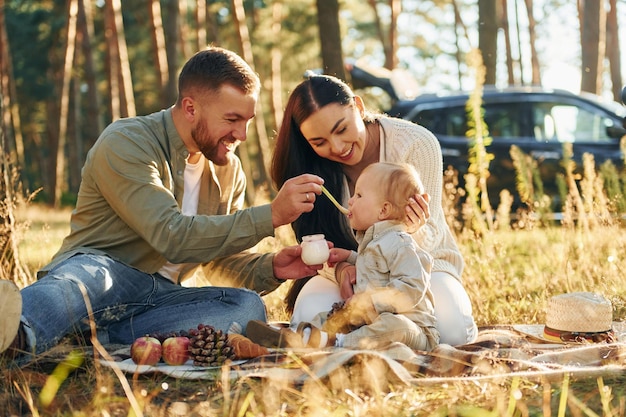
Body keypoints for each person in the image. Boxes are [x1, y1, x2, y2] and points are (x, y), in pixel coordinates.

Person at [0, 46, 339, 359]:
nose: (242, 135)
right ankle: (17, 334)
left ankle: (86, 340)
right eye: (232, 119)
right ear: (191, 108)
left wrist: (272, 267)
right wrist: (272, 214)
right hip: (103, 275)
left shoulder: (228, 169)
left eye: (248, 121)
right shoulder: (127, 142)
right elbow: (171, 236)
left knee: (245, 306)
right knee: (86, 278)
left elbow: (218, 258)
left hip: (160, 299)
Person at [270, 74, 478, 346]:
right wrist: (342, 269)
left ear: (358, 106)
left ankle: (355, 344)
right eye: (319, 142)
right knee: (310, 314)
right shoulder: (308, 168)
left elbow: (432, 234)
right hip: (356, 272)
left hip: (423, 267)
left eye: (341, 129)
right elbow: (316, 247)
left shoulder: (416, 144)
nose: (337, 147)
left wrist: (413, 230)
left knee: (452, 332)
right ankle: (327, 344)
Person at [247, 162, 439, 350]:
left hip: (414, 329)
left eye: (359, 195)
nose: (350, 201)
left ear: (383, 210)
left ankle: (334, 343)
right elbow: (377, 269)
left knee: (394, 326)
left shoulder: (401, 243)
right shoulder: (374, 241)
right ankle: (298, 337)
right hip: (371, 321)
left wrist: (371, 301)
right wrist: (351, 257)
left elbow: (412, 287)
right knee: (331, 316)